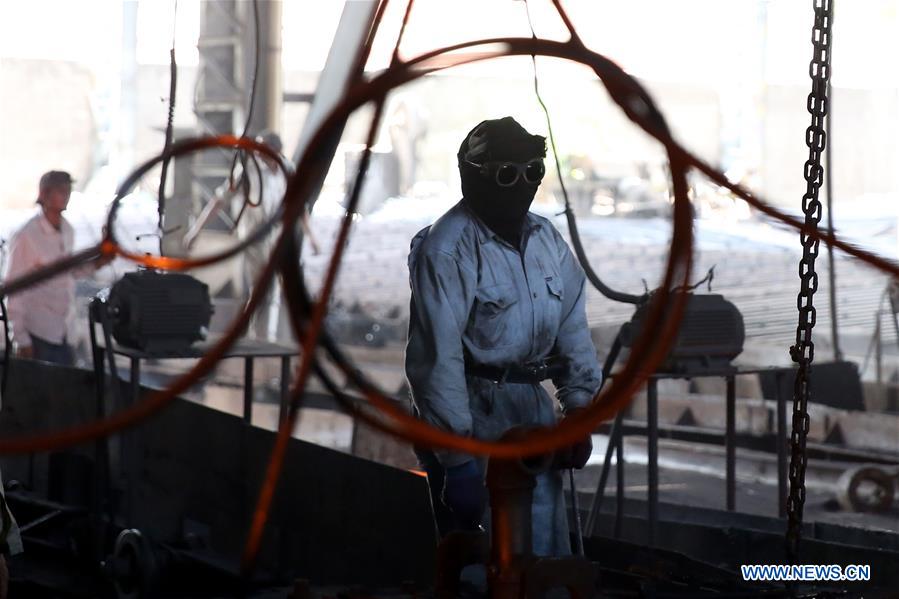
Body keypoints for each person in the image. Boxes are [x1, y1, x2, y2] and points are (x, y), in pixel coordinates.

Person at [405, 117, 602, 556]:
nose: (521, 186)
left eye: (532, 172)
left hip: (531, 412)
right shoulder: (447, 250)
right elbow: (437, 361)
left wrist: (579, 410)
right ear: (476, 176)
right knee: (483, 565)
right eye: (506, 174)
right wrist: (457, 463)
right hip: (472, 417)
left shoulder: (546, 239)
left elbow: (573, 326)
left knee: (543, 552)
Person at [4, 171, 108, 365]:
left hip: (64, 331)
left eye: (68, 190)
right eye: (61, 190)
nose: (66, 195)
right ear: (44, 194)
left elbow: (68, 272)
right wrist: (20, 337)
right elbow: (14, 287)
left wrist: (98, 262)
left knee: (64, 390)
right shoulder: (27, 234)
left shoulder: (67, 229)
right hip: (38, 331)